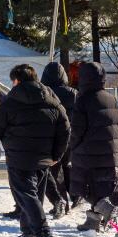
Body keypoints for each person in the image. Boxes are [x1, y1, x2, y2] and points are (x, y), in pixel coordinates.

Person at [0, 64, 70, 237]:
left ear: (17, 80)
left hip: (19, 156)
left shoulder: (12, 101)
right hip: (44, 156)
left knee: (27, 195)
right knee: (35, 194)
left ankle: (43, 233)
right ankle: (29, 230)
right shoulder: (52, 99)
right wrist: (57, 154)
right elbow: (65, 129)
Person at [70, 61, 118, 232]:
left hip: (87, 153)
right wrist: (117, 147)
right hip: (110, 151)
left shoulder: (82, 99)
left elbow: (77, 129)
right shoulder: (112, 98)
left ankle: (108, 209)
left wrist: (72, 147)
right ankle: (93, 221)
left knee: (86, 187)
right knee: (101, 186)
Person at [38, 61, 77, 218]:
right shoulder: (74, 92)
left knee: (54, 172)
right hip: (70, 135)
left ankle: (61, 203)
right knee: (68, 168)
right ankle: (75, 196)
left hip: (49, 137)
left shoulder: (44, 92)